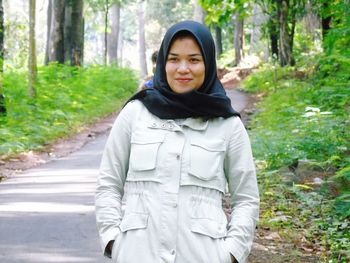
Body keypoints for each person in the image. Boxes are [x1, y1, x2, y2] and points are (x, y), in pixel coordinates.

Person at [95, 20, 259, 263]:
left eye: (194, 60)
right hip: (137, 255)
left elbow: (246, 198)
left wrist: (232, 253)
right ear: (163, 63)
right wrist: (112, 239)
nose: (183, 68)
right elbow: (108, 184)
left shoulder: (227, 125)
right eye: (174, 59)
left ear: (208, 64)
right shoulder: (135, 114)